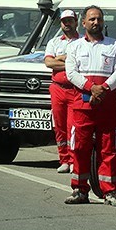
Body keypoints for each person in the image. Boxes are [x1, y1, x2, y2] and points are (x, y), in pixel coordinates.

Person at [63, 5, 116, 207]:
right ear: (83, 23)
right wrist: (91, 88)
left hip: (106, 108)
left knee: (108, 150)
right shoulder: (74, 47)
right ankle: (79, 190)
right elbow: (71, 73)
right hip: (82, 107)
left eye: (99, 19)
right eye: (91, 19)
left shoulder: (114, 46)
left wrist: (103, 89)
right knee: (79, 149)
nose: (95, 22)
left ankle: (110, 192)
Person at [44, 9, 80, 174]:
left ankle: (74, 160)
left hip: (75, 89)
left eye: (70, 21)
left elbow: (81, 65)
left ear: (76, 22)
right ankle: (64, 159)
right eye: (64, 21)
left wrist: (60, 59)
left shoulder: (83, 41)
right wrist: (68, 61)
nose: (67, 24)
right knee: (59, 126)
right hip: (57, 88)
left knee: (73, 126)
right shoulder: (54, 42)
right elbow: (49, 63)